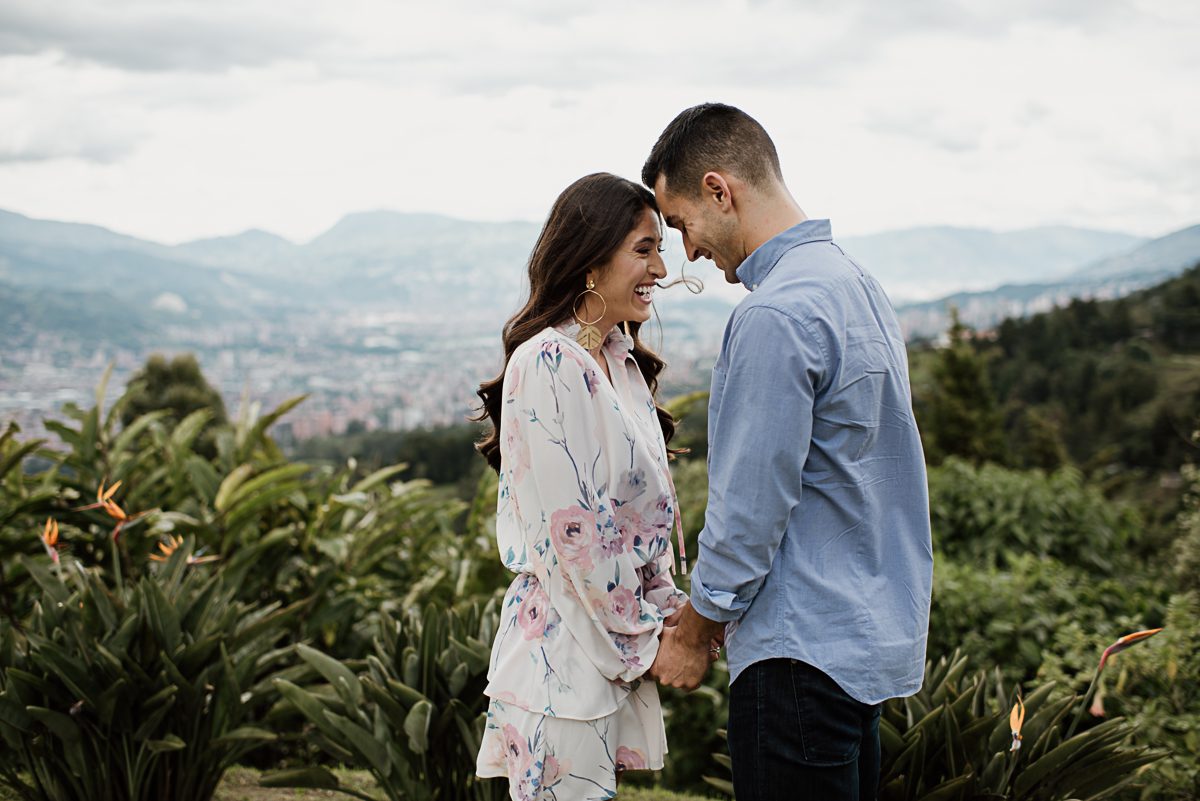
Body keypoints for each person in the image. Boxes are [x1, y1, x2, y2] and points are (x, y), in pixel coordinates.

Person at [643, 103, 934, 801]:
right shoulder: (854, 284)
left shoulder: (775, 314)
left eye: (680, 223)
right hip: (862, 644)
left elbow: (750, 505)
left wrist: (696, 627)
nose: (687, 252)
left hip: (797, 652)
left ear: (720, 189)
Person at [473, 172, 706, 800]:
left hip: (603, 656)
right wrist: (651, 643)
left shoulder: (621, 363)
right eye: (643, 249)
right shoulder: (548, 364)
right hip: (562, 665)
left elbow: (639, 529)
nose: (661, 267)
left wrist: (674, 612)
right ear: (589, 260)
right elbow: (575, 538)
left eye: (661, 247)